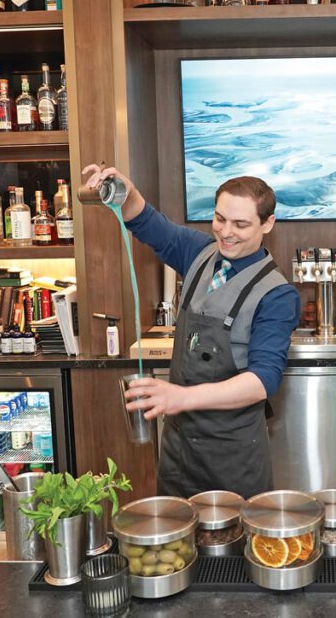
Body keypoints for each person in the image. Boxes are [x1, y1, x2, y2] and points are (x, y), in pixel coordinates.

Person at [81, 166, 300, 499]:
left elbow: (262, 381)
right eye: (219, 218)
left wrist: (180, 397)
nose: (226, 232)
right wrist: (125, 189)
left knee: (232, 548)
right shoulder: (198, 253)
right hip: (179, 452)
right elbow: (145, 220)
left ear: (267, 224)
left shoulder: (277, 294)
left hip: (233, 456)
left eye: (241, 224)